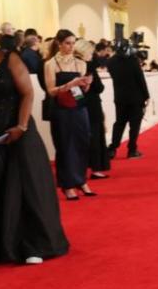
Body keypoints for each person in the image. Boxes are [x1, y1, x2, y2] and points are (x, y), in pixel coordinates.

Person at [0, 27, 69, 264]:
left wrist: (22, 126)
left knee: (25, 188)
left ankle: (31, 245)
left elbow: (28, 93)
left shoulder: (10, 58)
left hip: (18, 130)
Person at [43, 30, 94, 201]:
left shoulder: (80, 63)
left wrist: (85, 86)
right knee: (65, 146)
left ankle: (81, 180)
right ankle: (68, 185)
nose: (71, 47)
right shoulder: (50, 64)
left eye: (73, 43)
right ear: (59, 43)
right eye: (67, 43)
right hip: (60, 110)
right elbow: (50, 91)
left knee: (82, 143)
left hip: (79, 107)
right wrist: (68, 84)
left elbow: (79, 93)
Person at [107, 49, 150, 159]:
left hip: (120, 98)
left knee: (119, 124)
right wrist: (146, 95)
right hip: (135, 99)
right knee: (134, 126)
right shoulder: (133, 61)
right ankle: (132, 150)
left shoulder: (111, 62)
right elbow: (140, 80)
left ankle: (112, 149)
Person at [83, 41, 112, 178]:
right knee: (95, 136)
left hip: (82, 106)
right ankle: (95, 168)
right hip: (92, 105)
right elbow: (99, 87)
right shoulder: (88, 67)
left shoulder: (76, 65)